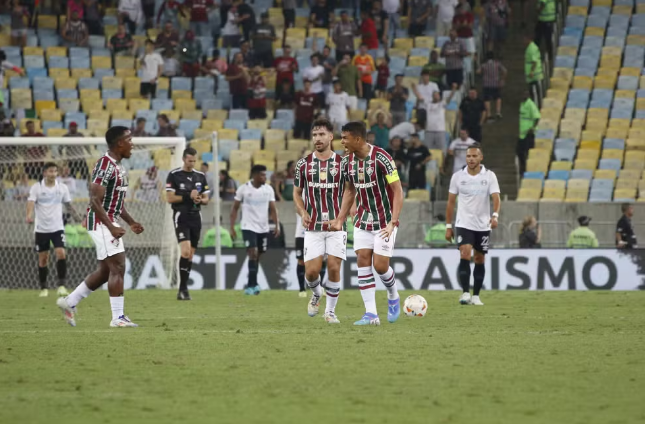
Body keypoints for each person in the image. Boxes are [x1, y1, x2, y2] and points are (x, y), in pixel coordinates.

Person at [56, 126, 145, 328]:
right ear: (119, 143)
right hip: (100, 221)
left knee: (106, 271)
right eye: (129, 140)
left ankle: (69, 302)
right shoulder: (105, 165)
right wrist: (112, 227)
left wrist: (130, 222)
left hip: (108, 220)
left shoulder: (119, 166)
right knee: (119, 266)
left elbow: (115, 202)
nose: (133, 144)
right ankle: (117, 317)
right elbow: (94, 200)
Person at [329, 121, 404, 326]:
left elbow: (398, 190)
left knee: (380, 266)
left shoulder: (382, 158)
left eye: (345, 138)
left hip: (385, 220)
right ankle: (371, 314)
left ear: (358, 139)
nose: (342, 141)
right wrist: (340, 219)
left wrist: (393, 222)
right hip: (363, 219)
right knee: (362, 260)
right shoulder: (346, 162)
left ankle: (392, 294)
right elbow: (350, 190)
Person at [293, 117, 348, 323]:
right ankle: (317, 293)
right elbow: (297, 193)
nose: (317, 138)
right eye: (315, 134)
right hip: (313, 226)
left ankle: (330, 312)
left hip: (336, 226)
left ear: (331, 136)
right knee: (311, 272)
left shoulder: (342, 164)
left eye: (322, 134)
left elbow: (351, 191)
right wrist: (302, 211)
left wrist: (343, 216)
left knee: (334, 267)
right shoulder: (303, 164)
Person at [445, 143, 500, 306]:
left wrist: (495, 215)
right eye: (469, 156)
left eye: (474, 156)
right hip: (464, 223)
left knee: (479, 258)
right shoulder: (458, 177)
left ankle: (476, 295)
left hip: (483, 225)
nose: (471, 159)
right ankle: (465, 293)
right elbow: (450, 203)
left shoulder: (489, 176)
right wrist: (449, 226)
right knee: (465, 253)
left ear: (481, 158)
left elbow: (496, 198)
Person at [26, 163, 80, 297]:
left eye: (55, 171)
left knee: (61, 253)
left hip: (57, 228)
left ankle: (61, 286)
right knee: (43, 258)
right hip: (41, 229)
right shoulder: (37, 187)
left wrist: (78, 218)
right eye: (51, 171)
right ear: (45, 173)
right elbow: (31, 202)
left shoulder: (62, 188)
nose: (53, 174)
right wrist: (28, 215)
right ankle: (44, 288)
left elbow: (68, 204)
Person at [165, 148, 210, 300]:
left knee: (190, 255)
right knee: (185, 251)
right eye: (189, 160)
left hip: (196, 217)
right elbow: (170, 198)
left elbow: (206, 199)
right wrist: (188, 197)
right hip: (181, 216)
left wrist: (200, 200)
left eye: (194, 161)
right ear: (184, 159)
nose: (192, 163)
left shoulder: (200, 176)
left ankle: (183, 289)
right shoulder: (174, 175)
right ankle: (183, 288)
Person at [230, 165, 279, 295]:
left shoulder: (268, 189)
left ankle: (254, 283)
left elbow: (273, 209)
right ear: (255, 175)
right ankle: (251, 286)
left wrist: (277, 225)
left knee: (258, 256)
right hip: (248, 226)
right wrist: (231, 227)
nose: (265, 177)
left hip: (263, 228)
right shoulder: (243, 189)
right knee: (253, 253)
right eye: (263, 175)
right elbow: (234, 208)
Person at [426, 84, 458, 151]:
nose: (436, 96)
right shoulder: (428, 105)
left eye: (437, 94)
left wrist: (453, 89)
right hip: (429, 131)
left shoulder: (442, 104)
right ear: (432, 96)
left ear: (439, 96)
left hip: (440, 131)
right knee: (428, 150)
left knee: (442, 150)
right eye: (434, 95)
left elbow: (449, 98)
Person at [478, 52, 507, 121]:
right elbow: (505, 71)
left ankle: (489, 114)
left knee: (487, 99)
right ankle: (498, 112)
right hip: (496, 83)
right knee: (498, 97)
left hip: (486, 84)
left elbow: (478, 72)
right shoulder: (497, 64)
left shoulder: (484, 65)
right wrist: (502, 80)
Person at [517, 90, 540, 176]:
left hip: (528, 133)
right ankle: (523, 167)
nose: (523, 95)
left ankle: (527, 169)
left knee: (527, 152)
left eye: (525, 94)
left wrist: (532, 128)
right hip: (522, 132)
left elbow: (537, 117)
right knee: (519, 152)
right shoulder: (522, 104)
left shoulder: (530, 104)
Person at [524, 33, 543, 108]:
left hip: (534, 75)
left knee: (535, 92)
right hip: (532, 75)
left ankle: (536, 106)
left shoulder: (531, 48)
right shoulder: (530, 47)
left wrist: (531, 71)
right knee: (532, 92)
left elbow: (534, 61)